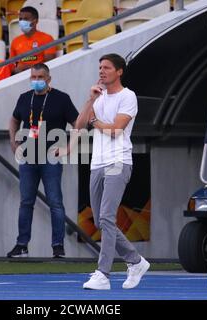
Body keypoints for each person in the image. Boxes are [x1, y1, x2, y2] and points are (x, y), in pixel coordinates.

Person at [73, 53, 150, 290]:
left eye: (106, 67)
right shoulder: (98, 96)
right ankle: (135, 261)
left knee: (106, 217)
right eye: (100, 67)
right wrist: (89, 101)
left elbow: (117, 129)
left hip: (118, 160)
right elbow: (78, 126)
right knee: (100, 219)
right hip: (97, 162)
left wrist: (95, 122)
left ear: (119, 71)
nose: (102, 71)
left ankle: (102, 274)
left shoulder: (128, 96)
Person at [7, 63, 79, 258]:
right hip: (28, 157)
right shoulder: (24, 98)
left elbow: (77, 124)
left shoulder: (61, 99)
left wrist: (68, 147)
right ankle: (22, 245)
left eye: (40, 77)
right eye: (33, 77)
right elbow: (14, 120)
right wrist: (13, 140)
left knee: (55, 202)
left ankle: (58, 246)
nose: (36, 81)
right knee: (26, 202)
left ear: (48, 79)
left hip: (51, 157)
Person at [9, 6, 57, 74]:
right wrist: (17, 67)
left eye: (26, 19)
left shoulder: (47, 38)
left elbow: (49, 63)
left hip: (39, 75)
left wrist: (27, 67)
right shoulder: (15, 41)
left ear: (35, 21)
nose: (22, 22)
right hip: (19, 76)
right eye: (20, 19)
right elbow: (12, 64)